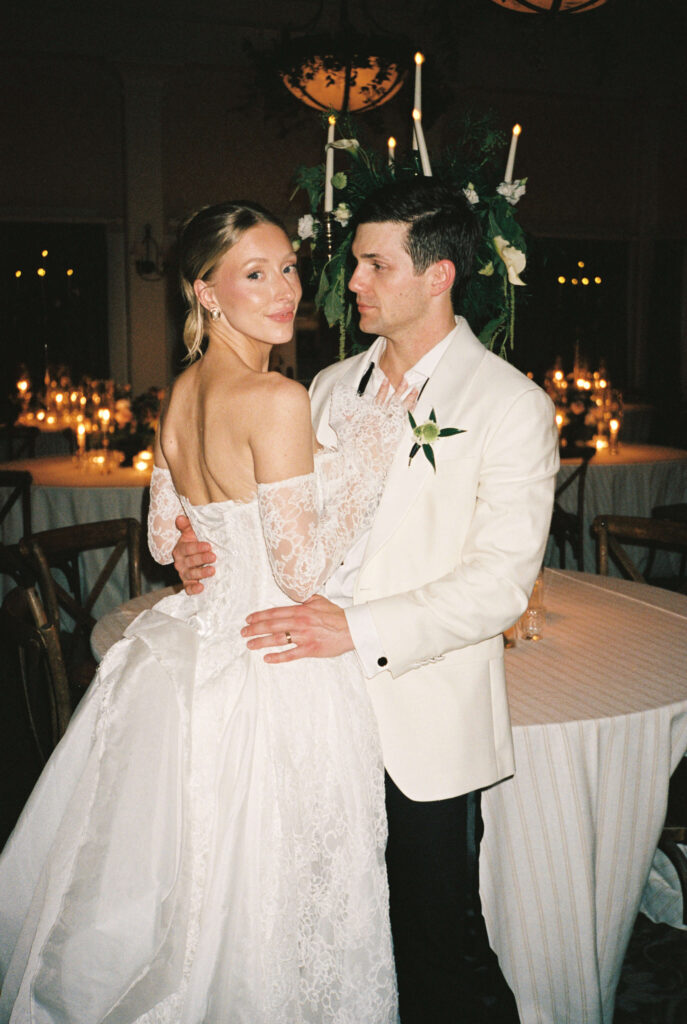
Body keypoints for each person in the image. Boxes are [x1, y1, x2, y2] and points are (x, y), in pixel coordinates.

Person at [0, 200, 415, 1023]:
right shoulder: (275, 397)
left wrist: (199, 547)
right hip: (274, 661)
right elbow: (299, 573)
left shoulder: (181, 390)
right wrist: (363, 465)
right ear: (207, 293)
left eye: (289, 267)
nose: (284, 288)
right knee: (277, 892)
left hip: (194, 651)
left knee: (188, 887)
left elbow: (165, 537)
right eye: (254, 274)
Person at [174, 180, 560, 1023]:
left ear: (438, 276)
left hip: (419, 721)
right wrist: (199, 544)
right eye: (354, 263)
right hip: (302, 715)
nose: (348, 284)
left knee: (438, 944)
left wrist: (357, 628)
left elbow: (498, 584)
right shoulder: (323, 386)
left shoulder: (508, 406)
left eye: (373, 265)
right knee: (332, 935)